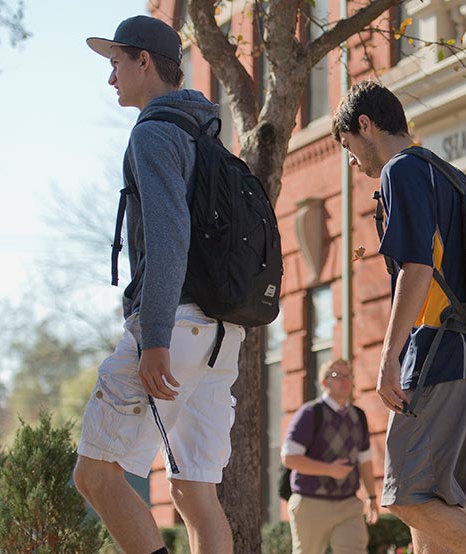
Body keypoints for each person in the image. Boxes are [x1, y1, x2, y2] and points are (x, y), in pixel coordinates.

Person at [73, 15, 245, 554]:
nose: (111, 78)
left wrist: (154, 339)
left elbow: (170, 239)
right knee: (195, 491)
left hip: (176, 324)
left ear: (143, 61)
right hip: (224, 335)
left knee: (95, 475)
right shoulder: (209, 135)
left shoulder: (153, 133)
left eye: (116, 64)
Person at [332, 81, 466, 554]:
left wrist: (389, 357)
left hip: (440, 353)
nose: (353, 162)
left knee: (406, 495)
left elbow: (416, 268)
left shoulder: (403, 170)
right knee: (432, 509)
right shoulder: (449, 176)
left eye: (349, 146)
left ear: (365, 125)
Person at [282, 359, 379, 553]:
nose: (345, 381)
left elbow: (365, 460)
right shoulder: (310, 413)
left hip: (349, 504)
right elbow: (289, 458)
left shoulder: (358, 416)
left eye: (348, 376)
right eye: (337, 376)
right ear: (324, 382)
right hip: (311, 504)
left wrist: (371, 496)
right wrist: (329, 470)